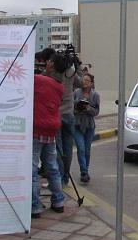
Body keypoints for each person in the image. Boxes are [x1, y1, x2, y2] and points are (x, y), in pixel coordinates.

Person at [42, 48, 81, 188]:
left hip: (56, 114)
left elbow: (41, 81)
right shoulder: (70, 73)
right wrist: (78, 66)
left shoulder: (52, 74)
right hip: (69, 115)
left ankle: (58, 179)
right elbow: (81, 83)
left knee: (57, 149)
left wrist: (47, 69)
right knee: (68, 148)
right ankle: (65, 179)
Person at [32, 63, 66, 218]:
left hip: (37, 128)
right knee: (52, 167)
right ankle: (58, 201)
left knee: (32, 169)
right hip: (52, 128)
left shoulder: (37, 80)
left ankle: (35, 206)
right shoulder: (60, 87)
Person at [73, 73, 100, 183]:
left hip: (89, 126)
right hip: (77, 125)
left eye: (87, 80)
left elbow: (96, 112)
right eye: (83, 80)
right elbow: (71, 106)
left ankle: (85, 171)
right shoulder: (76, 92)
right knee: (81, 148)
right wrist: (77, 104)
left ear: (91, 83)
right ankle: (84, 171)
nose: (84, 82)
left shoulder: (95, 95)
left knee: (87, 150)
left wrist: (88, 108)